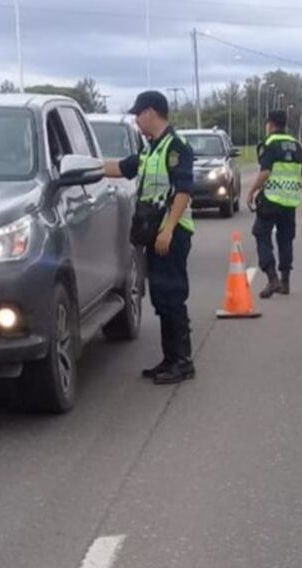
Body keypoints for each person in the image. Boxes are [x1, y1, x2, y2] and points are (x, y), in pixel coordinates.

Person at [104, 91, 196, 385]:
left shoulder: (175, 147)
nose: (135, 119)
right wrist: (80, 166)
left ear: (151, 112)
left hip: (172, 233)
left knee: (172, 296)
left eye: (137, 113)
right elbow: (119, 168)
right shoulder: (151, 149)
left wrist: (169, 229)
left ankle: (183, 362)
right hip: (156, 233)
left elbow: (183, 191)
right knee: (160, 296)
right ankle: (169, 359)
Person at [246, 110, 302, 298]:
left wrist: (251, 191)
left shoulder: (270, 144)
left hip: (271, 199)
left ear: (271, 124)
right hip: (289, 202)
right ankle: (285, 282)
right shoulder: (296, 146)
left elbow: (265, 172)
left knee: (260, 234)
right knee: (286, 240)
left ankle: (272, 277)